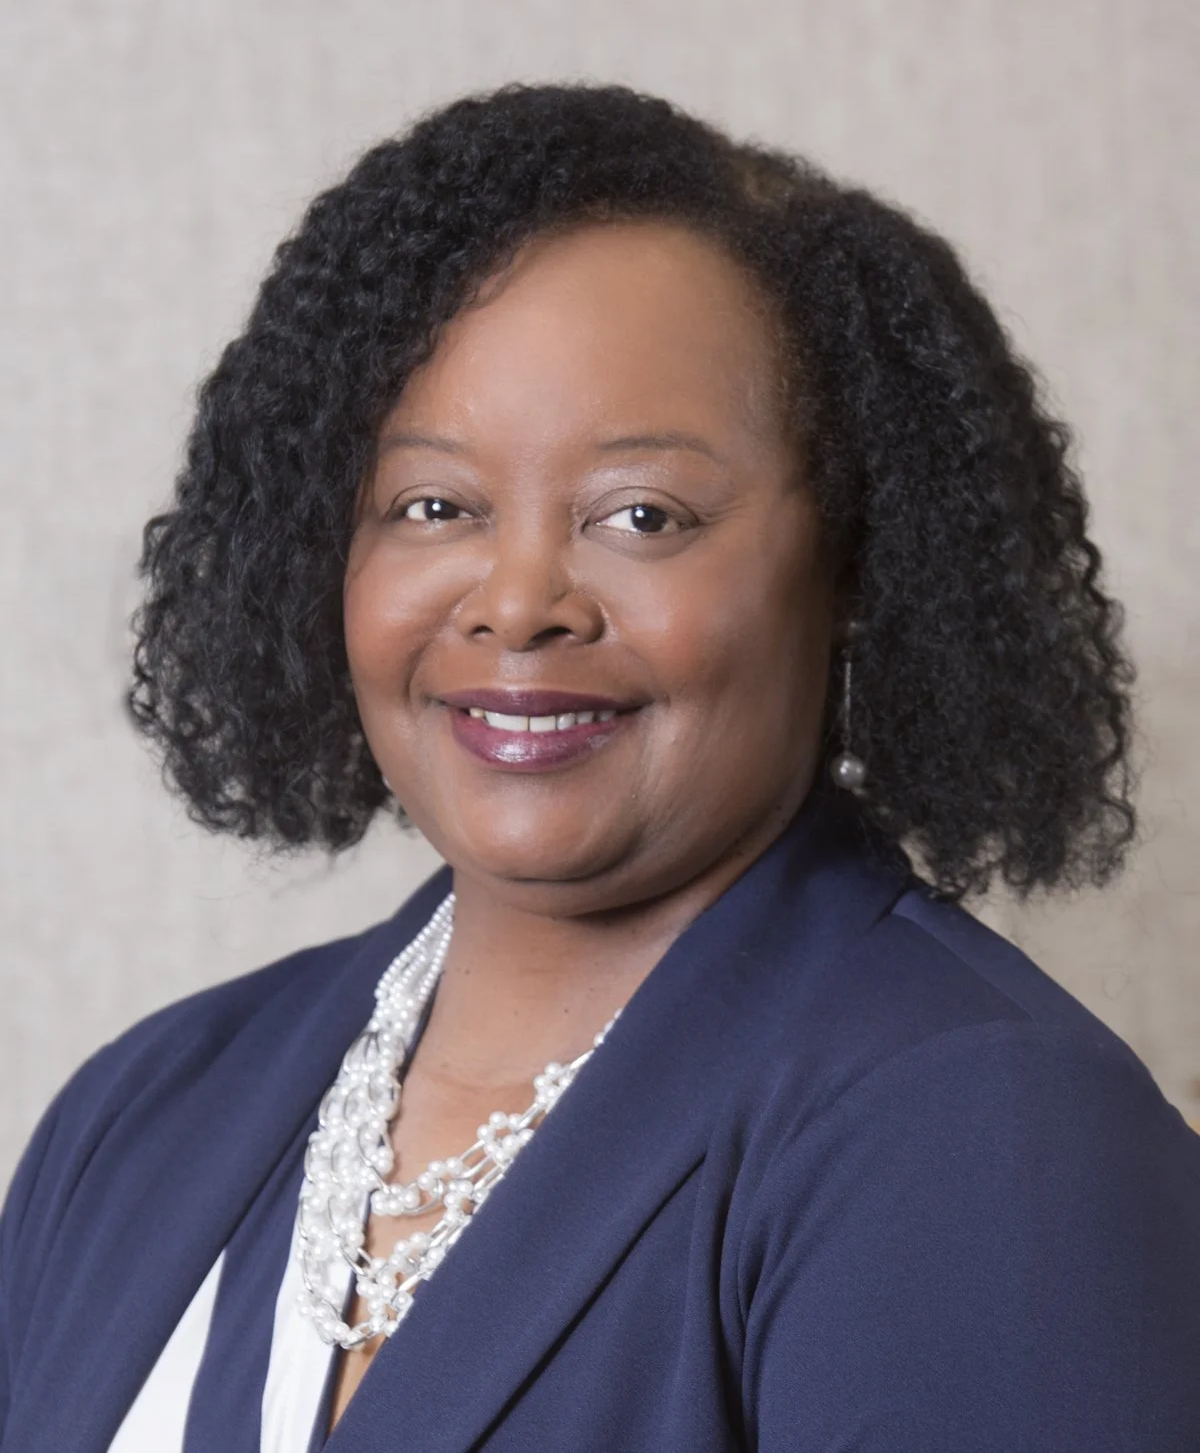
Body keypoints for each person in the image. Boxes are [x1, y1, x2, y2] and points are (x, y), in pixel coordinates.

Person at [1, 82, 1197, 1453]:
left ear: (858, 564)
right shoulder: (149, 1108)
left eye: (643, 514)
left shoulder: (985, 1136)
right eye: (433, 506)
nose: (517, 603)